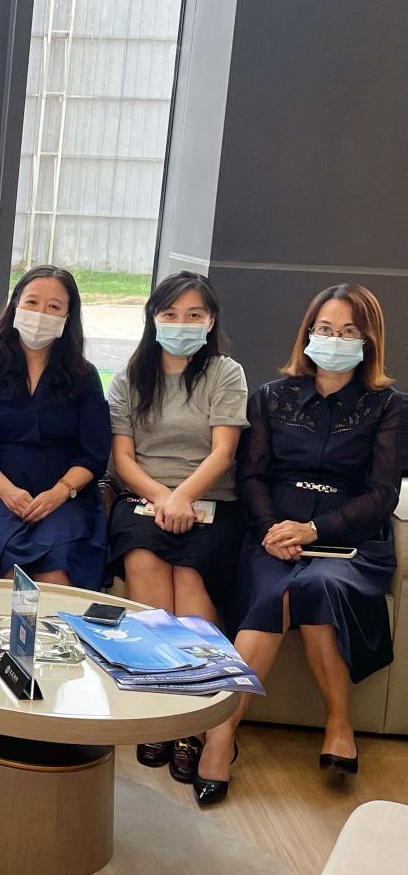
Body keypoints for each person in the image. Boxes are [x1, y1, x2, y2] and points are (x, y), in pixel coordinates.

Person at [194, 284, 400, 805]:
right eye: (325, 329)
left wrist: (314, 530)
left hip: (350, 539)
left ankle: (338, 722)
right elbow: (252, 476)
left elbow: (381, 495)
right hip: (273, 533)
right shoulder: (270, 397)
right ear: (308, 333)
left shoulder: (389, 407)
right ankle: (221, 735)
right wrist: (272, 529)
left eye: (349, 332)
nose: (335, 339)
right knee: (273, 592)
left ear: (369, 342)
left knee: (314, 586)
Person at [105, 271, 248, 783]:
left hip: (210, 501)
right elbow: (123, 459)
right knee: (145, 564)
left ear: (210, 322)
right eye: (170, 314)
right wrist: (163, 497)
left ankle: (194, 717)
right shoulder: (129, 377)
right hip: (143, 498)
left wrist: (184, 496)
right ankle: (159, 707)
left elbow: (224, 452)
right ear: (153, 318)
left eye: (194, 315)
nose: (181, 323)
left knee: (189, 580)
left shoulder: (226, 373)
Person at [0, 266, 110, 588]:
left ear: (68, 317)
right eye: (32, 302)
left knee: (56, 576)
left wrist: (58, 493)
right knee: (10, 576)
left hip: (65, 500)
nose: (41, 314)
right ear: (16, 305)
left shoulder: (85, 377)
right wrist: (7, 491)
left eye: (54, 307)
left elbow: (94, 454)